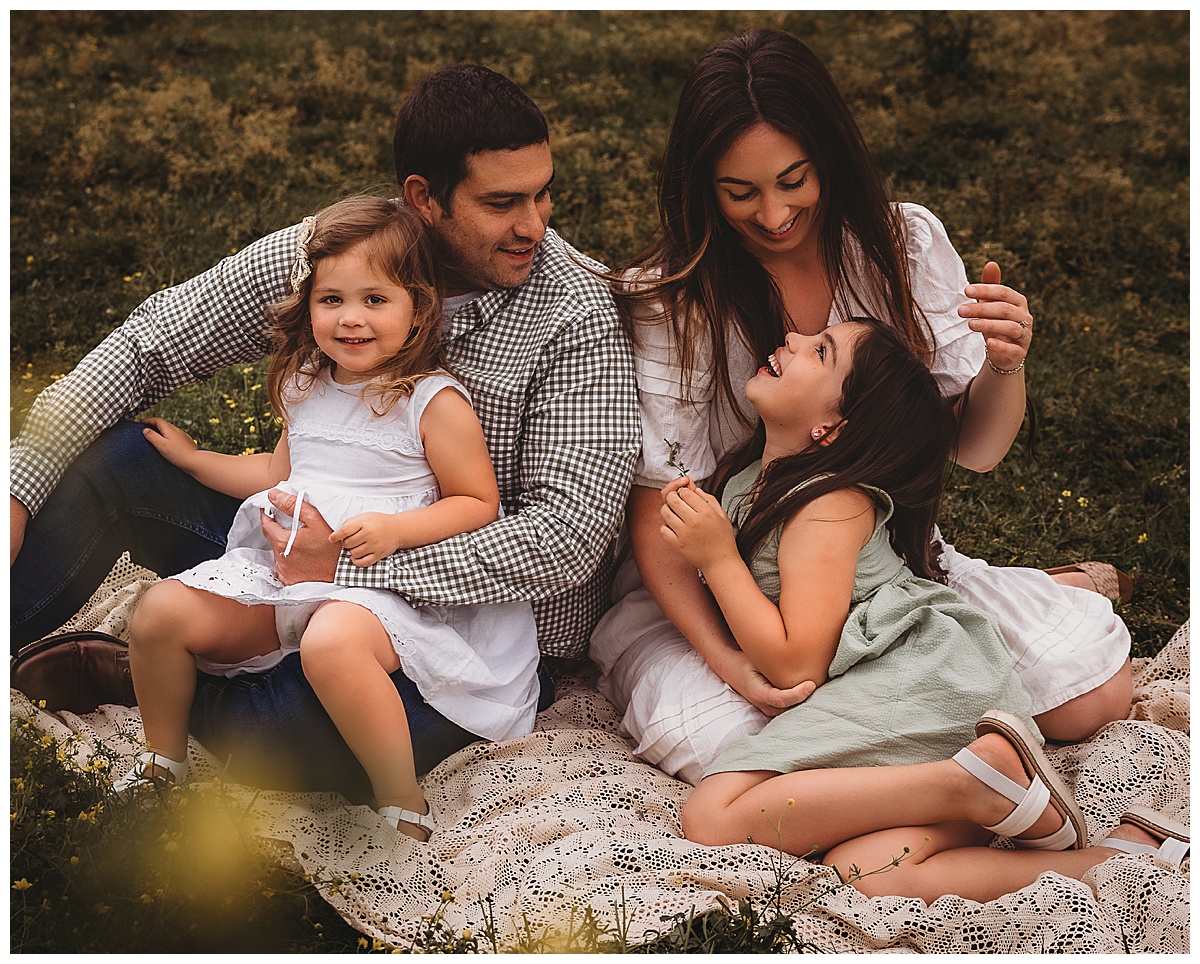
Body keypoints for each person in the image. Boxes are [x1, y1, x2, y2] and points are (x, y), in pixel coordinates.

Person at [10, 64, 640, 796]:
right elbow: (155, 341)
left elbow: (564, 540)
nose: (535, 224)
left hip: (454, 620)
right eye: (503, 202)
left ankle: (148, 669)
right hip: (287, 550)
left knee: (293, 739)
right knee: (114, 458)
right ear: (422, 198)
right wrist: (17, 489)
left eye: (542, 192)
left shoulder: (575, 314)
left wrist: (342, 570)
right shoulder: (337, 257)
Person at [589, 28, 1132, 786]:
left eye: (794, 180)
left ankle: (1035, 606)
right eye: (740, 192)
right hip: (716, 591)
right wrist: (738, 669)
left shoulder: (899, 243)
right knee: (728, 752)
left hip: (872, 574)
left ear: (830, 158)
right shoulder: (672, 300)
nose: (774, 214)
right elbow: (657, 522)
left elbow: (971, 449)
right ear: (699, 185)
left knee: (1090, 695)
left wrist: (1004, 367)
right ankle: (966, 757)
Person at [671, 318, 1187, 902]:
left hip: (920, 678)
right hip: (937, 707)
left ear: (832, 427)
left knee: (715, 818)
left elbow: (795, 667)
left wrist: (717, 559)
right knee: (872, 872)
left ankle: (977, 784)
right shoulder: (751, 480)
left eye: (821, 351)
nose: (789, 339)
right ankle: (1120, 857)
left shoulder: (828, 509)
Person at [111, 197, 541, 840]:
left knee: (332, 644)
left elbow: (477, 502)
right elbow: (279, 475)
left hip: (387, 586)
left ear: (417, 307)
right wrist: (199, 461)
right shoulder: (306, 382)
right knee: (159, 613)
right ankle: (161, 761)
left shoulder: (430, 400)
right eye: (331, 299)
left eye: (375, 299)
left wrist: (397, 530)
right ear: (308, 305)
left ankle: (400, 797)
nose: (350, 319)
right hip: (290, 569)